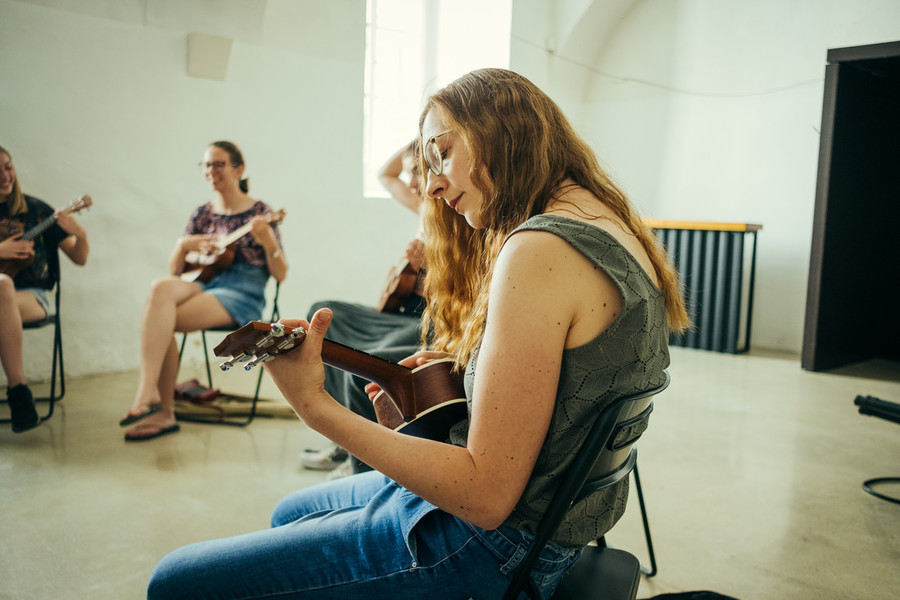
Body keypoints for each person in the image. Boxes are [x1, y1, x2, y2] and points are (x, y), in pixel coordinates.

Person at [147, 69, 689, 598]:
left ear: (501, 131)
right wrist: (448, 392)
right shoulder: (605, 221)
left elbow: (485, 495)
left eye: (443, 153)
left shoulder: (539, 249)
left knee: (174, 581)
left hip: (491, 548)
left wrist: (315, 407)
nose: (430, 184)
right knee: (291, 510)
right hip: (549, 522)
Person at [119, 141, 287, 441]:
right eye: (206, 165)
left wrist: (268, 241)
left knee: (162, 318)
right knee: (159, 287)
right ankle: (151, 395)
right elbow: (175, 271)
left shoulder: (261, 212)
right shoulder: (202, 214)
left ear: (239, 169)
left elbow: (281, 274)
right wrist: (183, 245)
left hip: (242, 291)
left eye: (218, 164)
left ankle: (159, 408)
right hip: (204, 281)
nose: (211, 170)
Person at [299, 139, 428, 477]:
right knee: (324, 313)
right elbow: (386, 173)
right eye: (410, 173)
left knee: (360, 357)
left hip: (429, 319)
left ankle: (359, 452)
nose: (411, 182)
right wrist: (419, 135)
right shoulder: (423, 205)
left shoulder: (460, 213)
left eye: (417, 171)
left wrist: (429, 267)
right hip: (399, 314)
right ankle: (343, 442)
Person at [0, 145, 90, 433]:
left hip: (30, 298)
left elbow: (79, 258)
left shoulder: (37, 211)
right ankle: (20, 398)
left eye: (8, 167)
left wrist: (81, 234)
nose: (5, 176)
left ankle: (18, 391)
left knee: (2, 285)